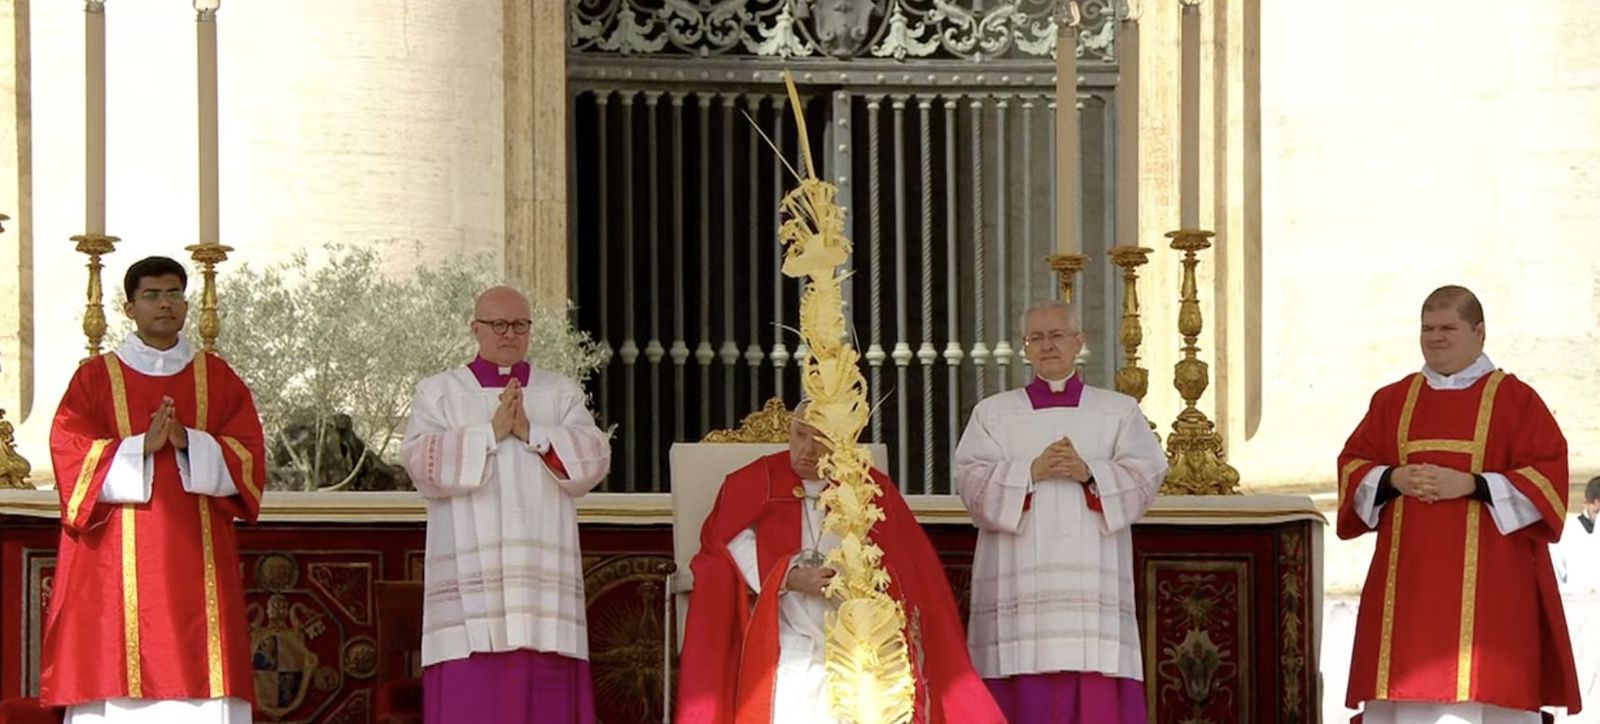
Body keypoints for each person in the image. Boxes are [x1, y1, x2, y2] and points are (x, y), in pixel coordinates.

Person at [1337, 285, 1580, 723]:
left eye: (1448, 327)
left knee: (1491, 699)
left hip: (1494, 587)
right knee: (1406, 699)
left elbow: (1548, 479)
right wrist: (1393, 478)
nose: (1435, 337)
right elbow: (1353, 464)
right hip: (1408, 588)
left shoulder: (1515, 400)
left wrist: (1472, 484)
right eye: (1427, 328)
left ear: (1479, 331)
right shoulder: (1393, 400)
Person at [675, 403, 1005, 724]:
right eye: (800, 434)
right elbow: (724, 542)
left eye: (821, 439)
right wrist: (788, 577)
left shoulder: (869, 487)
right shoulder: (756, 481)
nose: (806, 450)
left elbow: (911, 566)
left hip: (856, 635)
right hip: (785, 630)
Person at [45, 256, 266, 723]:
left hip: (198, 561)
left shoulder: (217, 378)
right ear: (129, 308)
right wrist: (138, 448)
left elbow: (248, 455)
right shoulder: (96, 378)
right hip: (114, 564)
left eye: (173, 295)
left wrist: (190, 443)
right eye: (151, 295)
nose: (165, 304)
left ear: (185, 305)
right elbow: (69, 454)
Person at [400, 286, 611, 724]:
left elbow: (594, 459)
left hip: (542, 592)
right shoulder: (439, 393)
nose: (509, 334)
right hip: (470, 593)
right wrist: (489, 433)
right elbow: (419, 463)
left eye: (519, 325)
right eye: (498, 324)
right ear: (475, 328)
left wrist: (533, 432)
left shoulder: (560, 393)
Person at [953, 299, 1167, 723]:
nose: (1047, 345)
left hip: (1093, 588)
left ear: (1079, 342)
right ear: (1025, 347)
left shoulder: (1117, 411)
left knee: (1094, 683)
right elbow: (970, 483)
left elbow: (1147, 475)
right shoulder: (993, 414)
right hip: (1019, 587)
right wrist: (1030, 471)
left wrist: (1089, 473)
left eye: (1056, 335)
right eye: (1036, 338)